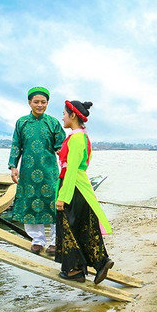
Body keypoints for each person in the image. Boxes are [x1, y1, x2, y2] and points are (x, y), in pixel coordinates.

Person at [55, 100, 114, 284]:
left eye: (64, 114)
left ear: (72, 116)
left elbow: (72, 168)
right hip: (79, 185)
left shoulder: (76, 138)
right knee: (83, 227)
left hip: (74, 186)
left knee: (68, 228)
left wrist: (62, 197)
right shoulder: (81, 136)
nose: (62, 117)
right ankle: (98, 262)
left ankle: (76, 270)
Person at [8, 87, 66, 254]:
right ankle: (38, 240)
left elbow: (61, 147)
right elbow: (16, 146)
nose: (40, 105)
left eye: (43, 102)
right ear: (29, 103)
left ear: (47, 103)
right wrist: (13, 167)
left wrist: (68, 164)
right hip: (27, 171)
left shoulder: (53, 122)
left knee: (54, 205)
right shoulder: (22, 122)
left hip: (50, 172)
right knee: (30, 204)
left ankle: (56, 242)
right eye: (36, 102)